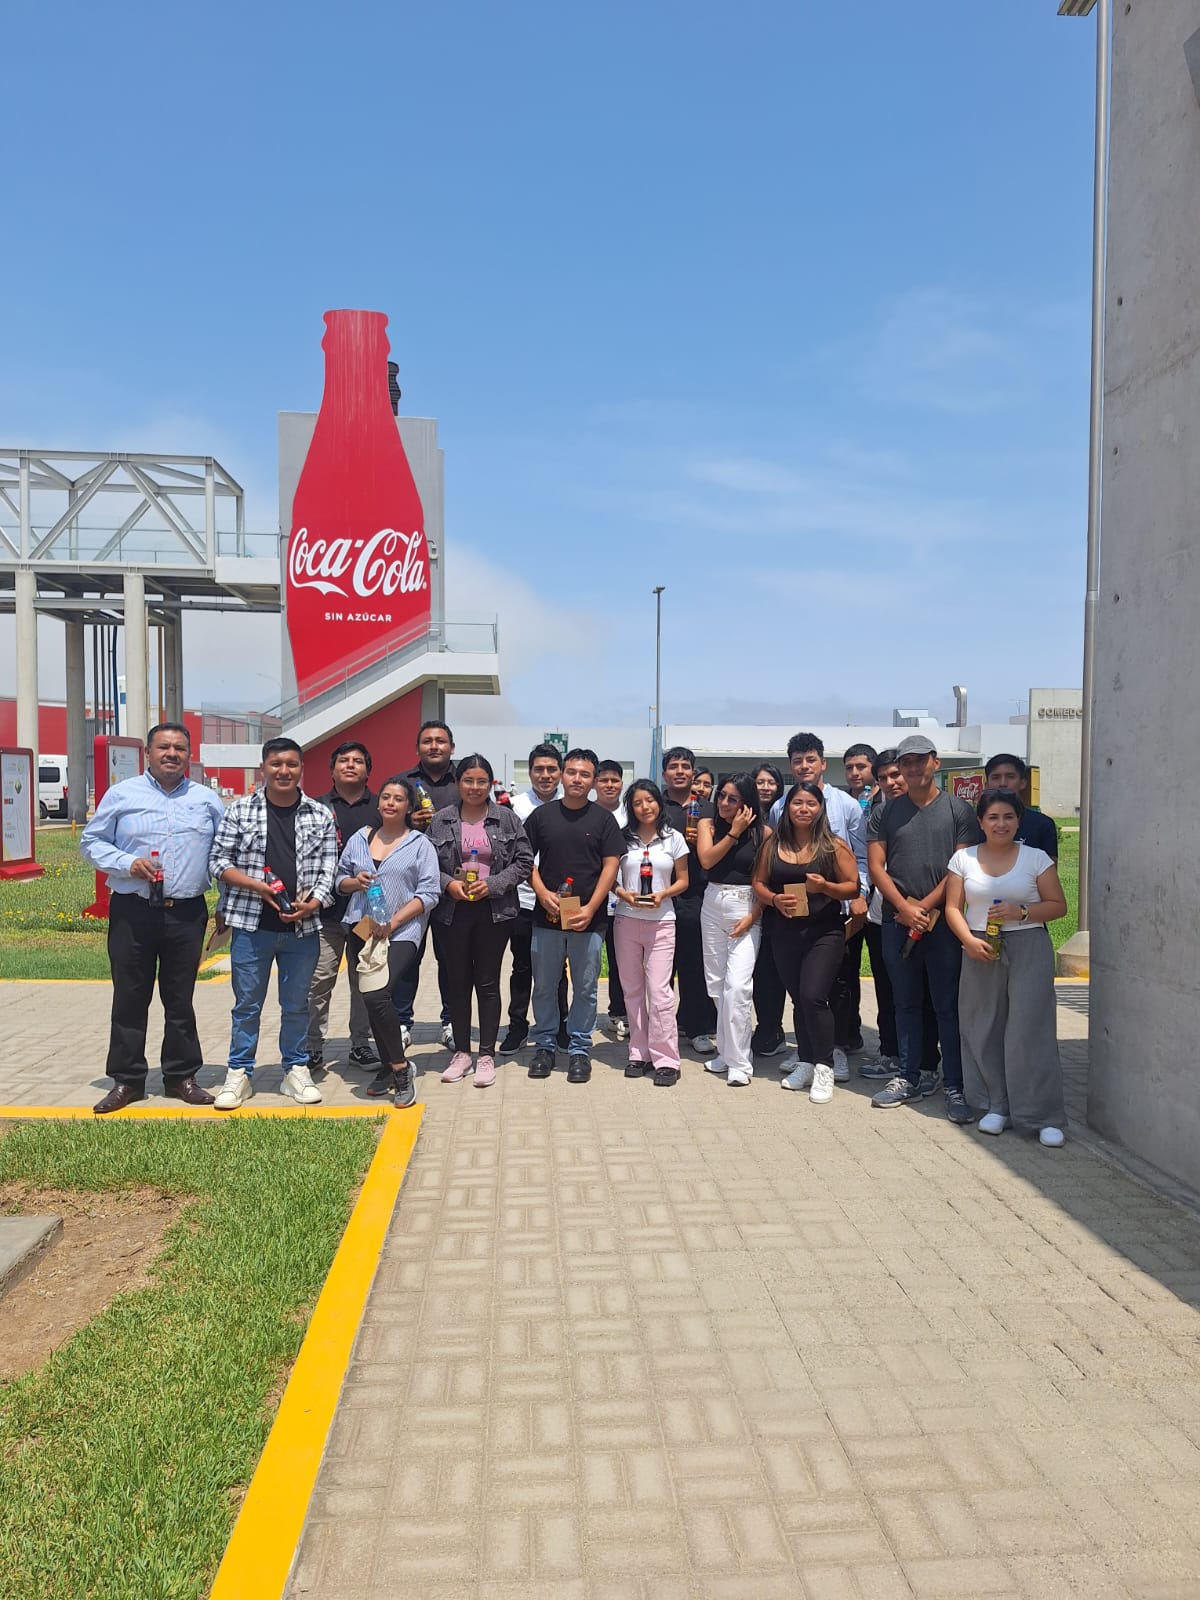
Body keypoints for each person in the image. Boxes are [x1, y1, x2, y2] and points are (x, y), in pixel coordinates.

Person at [81, 722, 225, 1114]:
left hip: (187, 913)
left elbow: (223, 855)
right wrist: (126, 863)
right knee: (130, 996)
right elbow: (91, 842)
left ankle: (181, 1076)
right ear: (148, 753)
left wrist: (225, 904)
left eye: (179, 748)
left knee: (180, 999)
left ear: (189, 755)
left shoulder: (206, 800)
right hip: (133, 911)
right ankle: (127, 1081)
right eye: (164, 747)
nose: (172, 754)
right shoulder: (122, 794)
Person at [209, 738, 339, 1110]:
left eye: (292, 764)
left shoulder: (320, 814)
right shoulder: (240, 810)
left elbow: (330, 868)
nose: (284, 771)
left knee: (297, 1005)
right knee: (247, 1005)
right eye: (276, 764)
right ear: (263, 767)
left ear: (302, 769)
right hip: (252, 927)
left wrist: (314, 903)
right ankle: (239, 1073)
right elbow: (218, 861)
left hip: (303, 929)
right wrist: (256, 886)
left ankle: (295, 1070)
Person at [866, 733, 981, 1123]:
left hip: (944, 922)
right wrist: (903, 907)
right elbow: (877, 866)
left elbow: (960, 867)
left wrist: (925, 907)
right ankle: (908, 1076)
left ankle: (955, 1086)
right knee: (905, 1002)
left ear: (936, 762)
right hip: (897, 921)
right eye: (906, 762)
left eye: (920, 760)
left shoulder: (959, 810)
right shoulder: (884, 812)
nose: (913, 768)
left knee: (946, 1006)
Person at [945, 788, 1068, 1145]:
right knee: (983, 1026)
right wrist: (968, 941)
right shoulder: (963, 859)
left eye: (1009, 817)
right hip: (980, 946)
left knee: (1030, 1029)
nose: (1001, 824)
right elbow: (953, 907)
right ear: (981, 822)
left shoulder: (1036, 859)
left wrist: (1022, 911)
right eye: (993, 817)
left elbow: (1058, 905)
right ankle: (996, 1104)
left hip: (1029, 944)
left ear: (1019, 821)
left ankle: (1042, 1115)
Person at [427, 755, 534, 1087]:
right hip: (452, 911)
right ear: (457, 783)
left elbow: (524, 861)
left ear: (490, 783)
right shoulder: (441, 820)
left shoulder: (507, 818)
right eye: (468, 781)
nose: (474, 787)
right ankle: (462, 1052)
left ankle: (486, 1054)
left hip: (494, 911)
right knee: (457, 982)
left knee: (487, 983)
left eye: (481, 781)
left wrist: (494, 884)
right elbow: (427, 864)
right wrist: (449, 884)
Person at [752, 783, 860, 1103]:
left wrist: (825, 886)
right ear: (787, 808)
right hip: (784, 932)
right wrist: (774, 899)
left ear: (820, 808)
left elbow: (853, 887)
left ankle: (825, 1067)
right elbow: (758, 882)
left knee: (813, 996)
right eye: (797, 802)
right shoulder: (773, 843)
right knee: (799, 999)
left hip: (824, 932)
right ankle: (806, 1061)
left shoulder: (833, 845)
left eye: (811, 803)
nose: (803, 809)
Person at [769, 735, 868, 1078]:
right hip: (794, 914)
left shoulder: (846, 805)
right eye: (797, 760)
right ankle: (808, 1052)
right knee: (804, 989)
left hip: (837, 909)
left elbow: (860, 855)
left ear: (823, 763)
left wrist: (859, 895)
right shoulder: (780, 807)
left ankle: (837, 1049)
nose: (804, 766)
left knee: (838, 983)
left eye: (810, 759)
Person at [523, 748, 625, 1084]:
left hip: (588, 919)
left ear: (593, 780)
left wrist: (592, 907)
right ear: (562, 775)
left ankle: (580, 1049)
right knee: (544, 986)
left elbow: (611, 866)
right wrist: (542, 893)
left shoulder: (603, 820)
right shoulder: (541, 817)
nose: (577, 779)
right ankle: (545, 1045)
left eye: (584, 774)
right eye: (572, 772)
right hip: (547, 916)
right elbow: (525, 860)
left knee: (585, 988)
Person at [338, 776, 441, 1105]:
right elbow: (339, 880)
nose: (390, 803)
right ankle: (388, 1063)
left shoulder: (420, 844)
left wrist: (392, 923)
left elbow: (429, 893)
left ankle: (400, 1069)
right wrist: (354, 882)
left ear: (409, 807)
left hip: (403, 930)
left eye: (398, 799)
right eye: (385, 797)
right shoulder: (360, 838)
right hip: (362, 927)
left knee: (378, 993)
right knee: (369, 998)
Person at [858, 749, 942, 1084]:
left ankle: (926, 1063)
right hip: (885, 916)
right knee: (889, 991)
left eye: (896, 774)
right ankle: (892, 1054)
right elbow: (873, 865)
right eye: (884, 778)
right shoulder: (878, 814)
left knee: (927, 995)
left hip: (927, 916)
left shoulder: (932, 812)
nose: (892, 782)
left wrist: (916, 909)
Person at [305, 740, 381, 1074]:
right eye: (343, 761)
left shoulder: (381, 808)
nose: (350, 765)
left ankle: (360, 1045)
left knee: (363, 980)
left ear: (368, 770)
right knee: (319, 981)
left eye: (358, 761)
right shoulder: (315, 808)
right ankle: (312, 1047)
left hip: (369, 914)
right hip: (326, 914)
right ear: (332, 769)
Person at [612, 780, 690, 1085]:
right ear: (630, 807)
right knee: (632, 990)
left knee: (659, 992)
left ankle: (666, 1059)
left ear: (659, 802)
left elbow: (683, 880)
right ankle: (638, 1052)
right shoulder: (621, 839)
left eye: (650, 800)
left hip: (662, 921)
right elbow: (610, 878)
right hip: (626, 920)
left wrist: (663, 894)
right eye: (637, 802)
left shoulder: (674, 838)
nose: (645, 807)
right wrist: (624, 894)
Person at [696, 774, 767, 1085]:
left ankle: (740, 1062)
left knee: (737, 986)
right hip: (712, 903)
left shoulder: (764, 833)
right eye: (722, 795)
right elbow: (707, 860)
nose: (724, 803)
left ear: (747, 803)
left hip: (745, 906)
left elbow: (766, 880)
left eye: (733, 799)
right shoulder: (707, 825)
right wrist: (734, 833)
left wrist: (754, 915)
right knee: (716, 984)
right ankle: (726, 1053)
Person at [500, 743, 568, 1053]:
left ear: (561, 773)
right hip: (524, 900)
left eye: (552, 769)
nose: (545, 775)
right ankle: (517, 1026)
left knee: (559, 969)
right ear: (529, 773)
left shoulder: (571, 805)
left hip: (561, 901)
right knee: (522, 966)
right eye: (539, 769)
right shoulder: (512, 807)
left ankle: (561, 1024)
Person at [395, 720, 459, 1047]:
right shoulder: (402, 783)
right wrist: (407, 821)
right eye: (427, 741)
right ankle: (401, 1022)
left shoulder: (463, 781)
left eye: (441, 741)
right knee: (407, 957)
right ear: (417, 747)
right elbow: (384, 823)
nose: (434, 746)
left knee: (451, 959)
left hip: (452, 885)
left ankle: (452, 1021)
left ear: (452, 747)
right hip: (409, 886)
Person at [661, 745, 718, 1054]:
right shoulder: (655, 805)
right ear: (664, 774)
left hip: (697, 894)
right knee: (661, 968)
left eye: (685, 766)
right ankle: (661, 1028)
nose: (680, 771)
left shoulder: (709, 809)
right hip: (661, 894)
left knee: (694, 964)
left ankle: (697, 1028)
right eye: (674, 766)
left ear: (693, 773)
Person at [593, 759, 629, 1042]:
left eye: (614, 780)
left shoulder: (631, 814)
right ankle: (580, 1015)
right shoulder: (586, 812)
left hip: (624, 899)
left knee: (621, 961)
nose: (609, 785)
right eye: (603, 780)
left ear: (621, 783)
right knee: (587, 962)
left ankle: (620, 1012)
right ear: (595, 783)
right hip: (590, 900)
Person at [983, 754, 1059, 859]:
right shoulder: (974, 824)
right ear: (986, 785)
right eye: (996, 777)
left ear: (1023, 783)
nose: (1003, 783)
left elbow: (1050, 866)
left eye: (1010, 777)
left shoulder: (1043, 824)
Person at [843, 743, 878, 811]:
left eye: (861, 767)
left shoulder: (888, 799)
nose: (854, 773)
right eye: (849, 768)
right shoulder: (839, 801)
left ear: (874, 768)